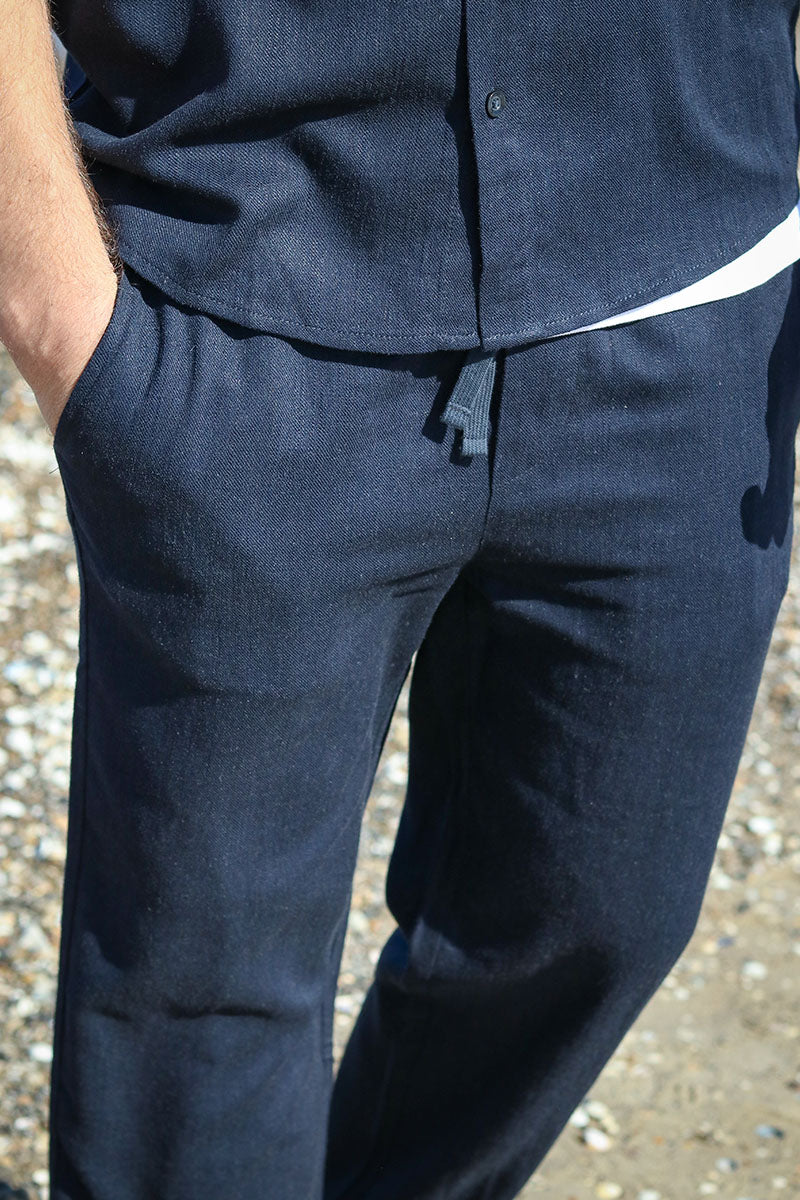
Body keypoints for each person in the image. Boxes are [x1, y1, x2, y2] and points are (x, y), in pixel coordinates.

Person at [1, 1, 799, 1197]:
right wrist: (58, 310)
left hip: (691, 289)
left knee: (592, 920)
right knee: (199, 1005)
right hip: (239, 312)